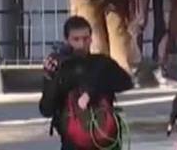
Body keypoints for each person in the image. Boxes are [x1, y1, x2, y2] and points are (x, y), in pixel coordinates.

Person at [39, 16, 134, 150]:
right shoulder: (61, 68)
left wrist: (92, 91)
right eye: (76, 39)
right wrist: (49, 79)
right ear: (67, 40)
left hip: (105, 139)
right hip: (73, 142)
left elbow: (126, 83)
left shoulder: (102, 63)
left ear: (91, 39)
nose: (82, 44)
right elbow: (46, 109)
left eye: (86, 39)